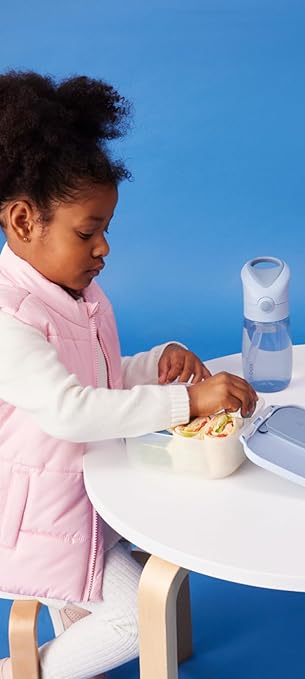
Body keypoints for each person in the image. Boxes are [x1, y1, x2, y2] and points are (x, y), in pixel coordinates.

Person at [0, 71, 257, 679]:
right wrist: (188, 403)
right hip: (39, 518)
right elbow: (70, 409)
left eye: (106, 230)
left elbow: (96, 378)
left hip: (88, 494)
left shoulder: (74, 295)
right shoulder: (9, 318)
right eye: (87, 232)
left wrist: (156, 365)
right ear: (23, 221)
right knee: (135, 620)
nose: (104, 248)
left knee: (148, 576)